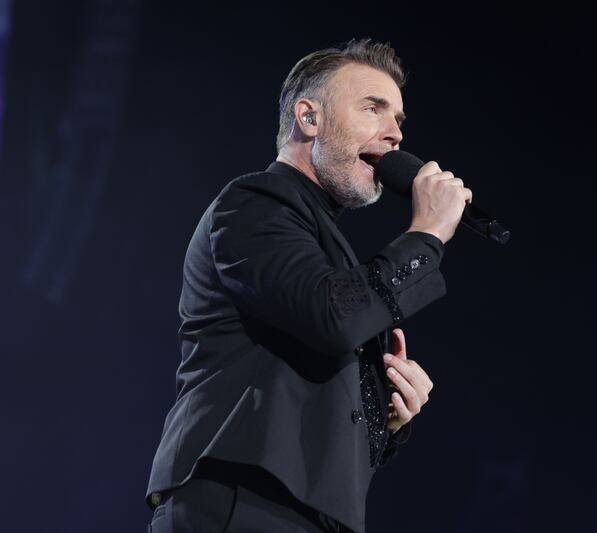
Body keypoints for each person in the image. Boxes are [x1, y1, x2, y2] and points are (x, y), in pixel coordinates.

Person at [145, 38, 472, 533]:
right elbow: (334, 318)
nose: (394, 135)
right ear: (309, 117)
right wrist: (426, 235)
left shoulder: (322, 240)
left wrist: (387, 420)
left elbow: (314, 390)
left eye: (399, 120)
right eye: (373, 108)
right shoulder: (255, 202)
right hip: (242, 500)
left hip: (306, 512)